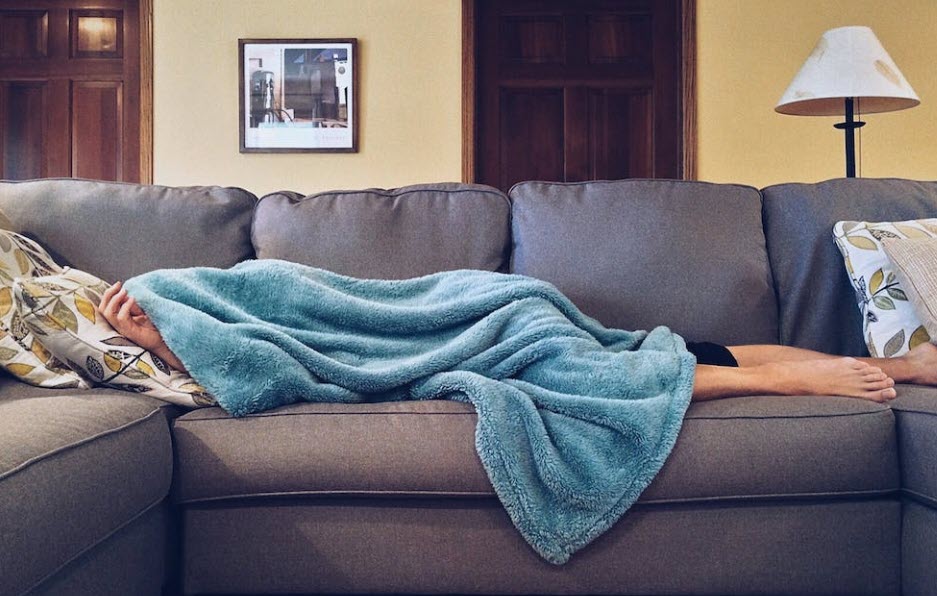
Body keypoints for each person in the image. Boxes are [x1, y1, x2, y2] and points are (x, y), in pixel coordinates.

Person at [96, 280, 937, 404]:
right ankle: (899, 365)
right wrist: (170, 343)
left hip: (498, 310)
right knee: (665, 349)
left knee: (608, 368)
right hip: (507, 315)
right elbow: (281, 364)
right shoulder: (166, 312)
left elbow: (312, 303)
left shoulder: (189, 283)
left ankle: (796, 379)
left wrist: (172, 323)